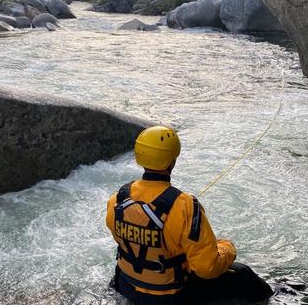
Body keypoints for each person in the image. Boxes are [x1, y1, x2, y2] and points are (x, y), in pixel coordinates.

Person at [106, 126, 274, 304]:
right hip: (171, 295)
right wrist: (227, 248)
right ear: (173, 161)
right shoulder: (185, 206)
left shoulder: (117, 199)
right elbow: (207, 268)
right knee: (243, 273)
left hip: (127, 285)